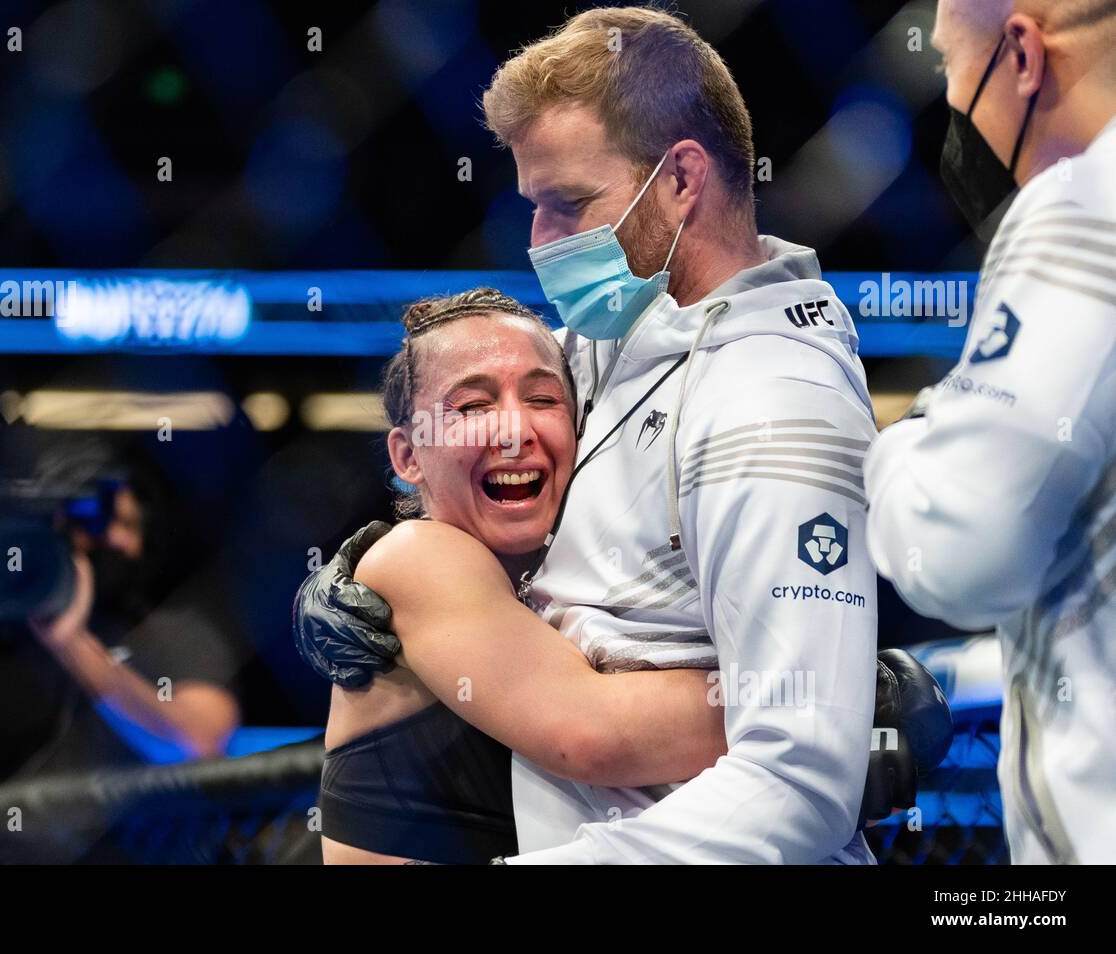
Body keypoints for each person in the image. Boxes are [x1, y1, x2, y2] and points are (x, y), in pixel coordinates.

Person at [298, 7, 951, 864]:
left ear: (682, 181)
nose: (541, 243)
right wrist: (371, 558)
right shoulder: (631, 331)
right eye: (534, 206)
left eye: (568, 204)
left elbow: (798, 782)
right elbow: (472, 400)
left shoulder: (768, 398)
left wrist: (824, 700)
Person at [314, 288, 728, 864]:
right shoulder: (417, 556)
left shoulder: (564, 578)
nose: (513, 430)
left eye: (541, 398)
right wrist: (829, 701)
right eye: (473, 407)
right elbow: (589, 733)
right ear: (409, 457)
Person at [864, 0, 1116, 863]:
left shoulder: (1084, 208)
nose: (951, 105)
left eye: (947, 69)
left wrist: (903, 445)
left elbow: (963, 553)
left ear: (1021, 56)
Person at [0, 469, 241, 808]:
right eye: (76, 528)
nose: (108, 539)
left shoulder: (172, 633)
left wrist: (71, 642)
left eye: (124, 524)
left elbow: (197, 747)